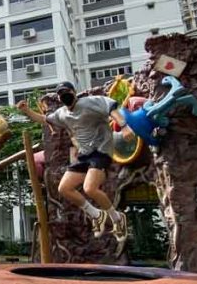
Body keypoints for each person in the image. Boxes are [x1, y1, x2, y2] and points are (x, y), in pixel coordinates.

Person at [17, 82, 132, 245]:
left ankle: (117, 218)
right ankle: (96, 215)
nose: (65, 96)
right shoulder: (62, 114)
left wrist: (124, 126)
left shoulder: (90, 102)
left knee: (89, 188)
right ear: (59, 98)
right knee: (64, 188)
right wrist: (26, 111)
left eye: (67, 92)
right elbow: (44, 119)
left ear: (74, 92)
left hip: (101, 151)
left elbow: (111, 108)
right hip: (84, 155)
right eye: (61, 94)